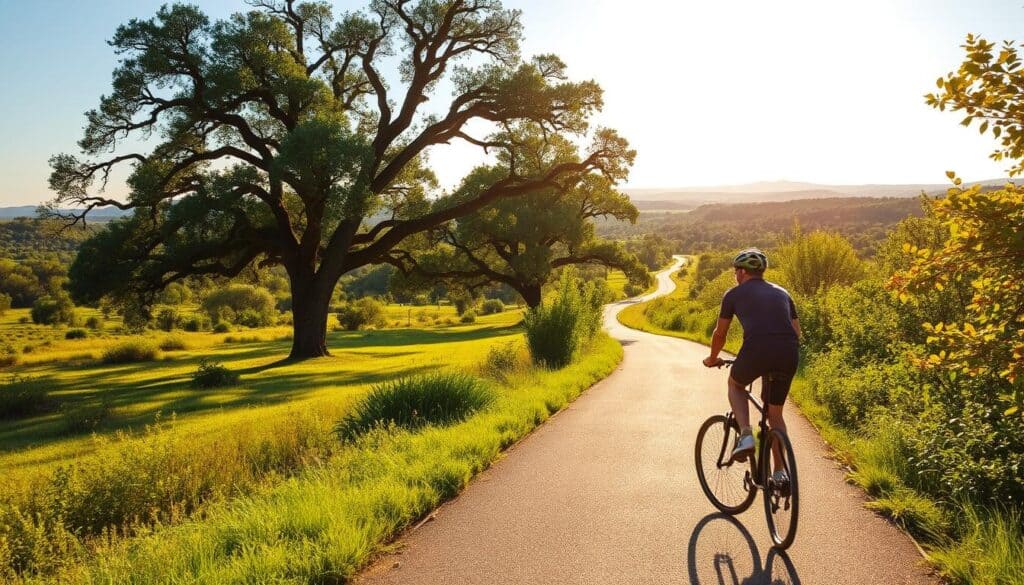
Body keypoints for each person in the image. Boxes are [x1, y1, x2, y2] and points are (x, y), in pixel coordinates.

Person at [702, 249, 801, 484]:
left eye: (736, 271)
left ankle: (746, 435)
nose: (735, 275)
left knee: (735, 385)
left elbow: (720, 333)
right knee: (775, 415)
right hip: (788, 352)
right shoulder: (784, 293)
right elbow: (796, 332)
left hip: (757, 349)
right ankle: (779, 473)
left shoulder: (734, 294)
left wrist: (713, 357)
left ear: (742, 271)